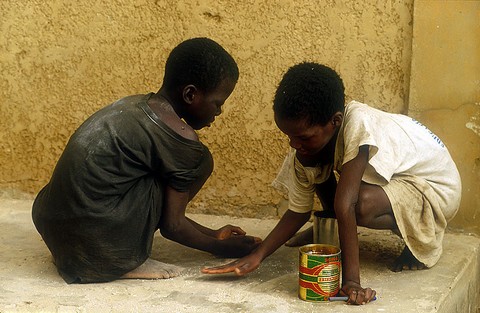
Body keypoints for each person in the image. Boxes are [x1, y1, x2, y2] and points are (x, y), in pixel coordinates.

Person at [202, 62, 461, 305]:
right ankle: (326, 226)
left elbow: (346, 203)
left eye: (302, 136)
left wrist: (351, 283)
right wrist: (257, 254)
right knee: (318, 169)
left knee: (360, 204)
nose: (293, 144)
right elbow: (298, 210)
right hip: (401, 182)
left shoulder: (358, 123)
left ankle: (417, 245)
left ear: (334, 122)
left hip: (435, 190)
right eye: (288, 135)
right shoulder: (308, 146)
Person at [32, 37, 261, 284]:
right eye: (218, 103)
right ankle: (117, 260)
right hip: (95, 240)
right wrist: (224, 249)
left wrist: (214, 234)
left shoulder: (134, 105)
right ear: (190, 94)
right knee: (200, 161)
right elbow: (172, 225)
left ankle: (74, 252)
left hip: (53, 225)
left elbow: (167, 212)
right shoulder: (181, 138)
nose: (219, 112)